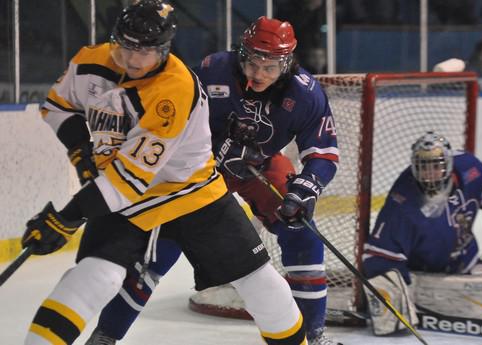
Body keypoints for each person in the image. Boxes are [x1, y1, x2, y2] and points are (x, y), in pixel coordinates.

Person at [20, 2, 307, 345]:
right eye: (128, 47)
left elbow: (129, 181)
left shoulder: (174, 88)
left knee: (261, 285)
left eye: (149, 51)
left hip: (191, 192)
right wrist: (81, 151)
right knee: (98, 276)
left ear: (165, 48)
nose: (136, 59)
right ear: (115, 40)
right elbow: (57, 106)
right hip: (124, 193)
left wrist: (66, 218)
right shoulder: (89, 61)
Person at [89, 15, 341, 345]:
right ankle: (106, 335)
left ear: (287, 62)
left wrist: (305, 190)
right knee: (158, 254)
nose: (259, 74)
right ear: (241, 54)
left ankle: (312, 336)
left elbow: (324, 153)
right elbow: (174, 126)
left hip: (259, 167)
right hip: (197, 171)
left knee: (303, 232)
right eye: (253, 64)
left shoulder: (306, 93)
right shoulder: (213, 70)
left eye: (270, 67)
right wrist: (221, 150)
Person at [362, 131, 482, 335]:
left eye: (436, 166)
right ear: (414, 166)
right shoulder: (402, 206)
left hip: (467, 262)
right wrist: (394, 300)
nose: (429, 173)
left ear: (449, 164)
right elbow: (379, 257)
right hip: (430, 277)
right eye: (423, 167)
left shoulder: (468, 168)